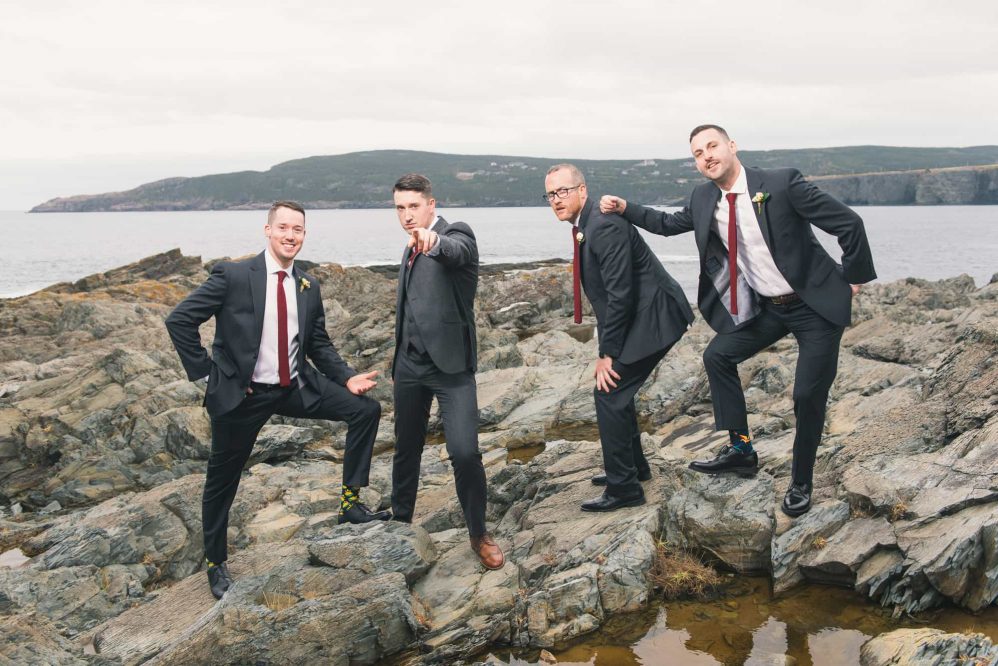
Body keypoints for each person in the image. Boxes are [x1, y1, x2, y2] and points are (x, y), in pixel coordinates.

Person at [600, 125, 876, 517]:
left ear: (732, 146)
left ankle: (801, 480)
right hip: (769, 309)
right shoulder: (703, 197)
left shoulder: (781, 183)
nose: (706, 156)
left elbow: (849, 224)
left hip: (815, 307)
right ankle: (742, 449)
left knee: (805, 396)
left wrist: (852, 278)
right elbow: (668, 224)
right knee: (717, 357)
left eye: (712, 146)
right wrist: (626, 208)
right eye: (697, 153)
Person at [165, 200, 387, 599]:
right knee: (222, 481)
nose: (291, 236)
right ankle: (215, 563)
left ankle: (351, 504)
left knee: (366, 411)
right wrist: (209, 374)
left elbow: (318, 342)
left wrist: (347, 377)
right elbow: (180, 320)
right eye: (283, 227)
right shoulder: (233, 275)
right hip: (243, 397)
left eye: (298, 230)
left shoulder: (308, 285)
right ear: (268, 231)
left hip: (295, 388)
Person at [544, 164, 694, 511]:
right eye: (551, 194)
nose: (556, 200)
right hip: (645, 316)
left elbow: (620, 293)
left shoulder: (604, 224)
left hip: (656, 316)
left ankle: (624, 488)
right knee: (616, 393)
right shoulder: (589, 223)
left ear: (582, 190)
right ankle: (633, 469)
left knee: (608, 392)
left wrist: (607, 352)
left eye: (563, 191)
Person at [389, 174, 504, 570]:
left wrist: (433, 241)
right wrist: (398, 358)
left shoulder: (454, 233)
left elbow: (456, 251)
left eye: (413, 207)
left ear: (431, 205)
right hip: (408, 366)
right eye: (400, 208)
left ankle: (478, 533)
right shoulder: (406, 249)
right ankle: (400, 521)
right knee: (406, 448)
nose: (407, 215)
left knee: (464, 452)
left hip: (451, 367)